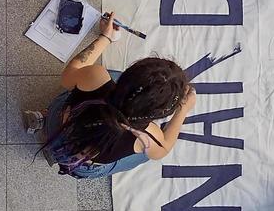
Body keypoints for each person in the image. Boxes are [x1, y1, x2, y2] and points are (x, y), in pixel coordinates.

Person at [25, 12, 195, 178]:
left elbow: (68, 77)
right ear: (161, 113)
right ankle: (59, 150)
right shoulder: (148, 135)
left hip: (60, 123)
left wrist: (105, 37)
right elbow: (162, 150)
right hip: (84, 163)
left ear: (129, 73)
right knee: (145, 154)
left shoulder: (96, 77)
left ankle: (44, 120)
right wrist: (182, 111)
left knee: (105, 76)